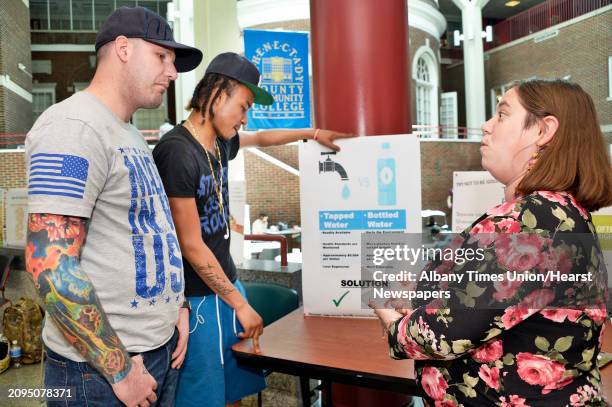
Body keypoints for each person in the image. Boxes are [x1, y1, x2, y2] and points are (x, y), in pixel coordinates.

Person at [372, 80, 612, 406]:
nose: (486, 126)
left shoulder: (535, 221)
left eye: (501, 115)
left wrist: (387, 312)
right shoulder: (550, 212)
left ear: (543, 131)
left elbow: (442, 335)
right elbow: (481, 295)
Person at [24, 7, 202, 407]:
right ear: (123, 48)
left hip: (155, 352)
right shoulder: (72, 129)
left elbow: (146, 230)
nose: (172, 72)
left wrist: (177, 304)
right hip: (99, 374)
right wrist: (120, 371)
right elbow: (49, 264)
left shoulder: (127, 131)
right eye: (162, 56)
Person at [152, 52, 352, 407]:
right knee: (203, 396)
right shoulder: (177, 152)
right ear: (217, 93)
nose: (245, 119)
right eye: (243, 107)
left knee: (234, 391)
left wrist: (312, 132)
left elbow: (261, 139)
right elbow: (191, 245)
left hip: (226, 285)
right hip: (197, 300)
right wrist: (240, 303)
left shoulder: (218, 141)